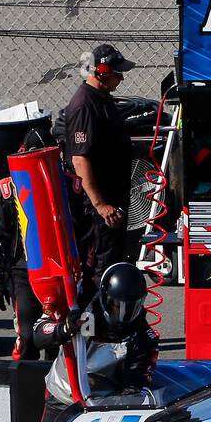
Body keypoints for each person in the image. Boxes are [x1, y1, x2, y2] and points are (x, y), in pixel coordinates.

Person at [33, 262, 159, 422]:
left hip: (103, 410)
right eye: (117, 306)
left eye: (131, 307)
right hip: (63, 396)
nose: (123, 314)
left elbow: (136, 383)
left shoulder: (143, 337)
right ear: (105, 298)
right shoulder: (79, 305)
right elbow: (38, 333)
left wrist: (119, 405)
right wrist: (65, 329)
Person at [64, 43, 136, 277]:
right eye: (118, 73)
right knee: (100, 267)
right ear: (102, 72)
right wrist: (100, 204)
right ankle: (94, 312)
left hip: (112, 201)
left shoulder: (102, 98)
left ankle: (112, 312)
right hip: (99, 207)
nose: (122, 79)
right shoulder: (85, 105)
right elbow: (80, 159)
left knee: (113, 260)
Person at [0, 130, 49, 360]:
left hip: (55, 270)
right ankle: (26, 389)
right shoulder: (8, 188)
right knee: (28, 337)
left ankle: (57, 390)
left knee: (58, 337)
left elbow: (83, 232)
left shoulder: (65, 185)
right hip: (23, 271)